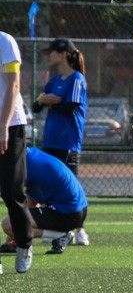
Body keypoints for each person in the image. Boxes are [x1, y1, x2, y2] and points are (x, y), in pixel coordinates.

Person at [33, 38, 89, 246]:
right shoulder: (53, 81)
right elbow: (36, 106)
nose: (49, 56)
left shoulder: (76, 79)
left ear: (63, 54)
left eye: (52, 52)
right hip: (50, 141)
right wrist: (41, 101)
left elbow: (70, 107)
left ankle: (80, 229)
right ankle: (57, 231)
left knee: (70, 185)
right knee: (47, 183)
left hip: (68, 142)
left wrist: (50, 103)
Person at [1, 148, 87, 257]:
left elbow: (18, 203)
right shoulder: (30, 155)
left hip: (68, 214)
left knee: (8, 224)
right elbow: (31, 201)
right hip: (76, 210)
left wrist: (16, 231)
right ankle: (17, 242)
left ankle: (60, 235)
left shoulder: (22, 165)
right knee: (17, 220)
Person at [0, 28, 32, 274]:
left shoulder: (5, 41)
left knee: (12, 191)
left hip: (11, 125)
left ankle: (24, 243)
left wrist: (2, 126)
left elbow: (13, 85)